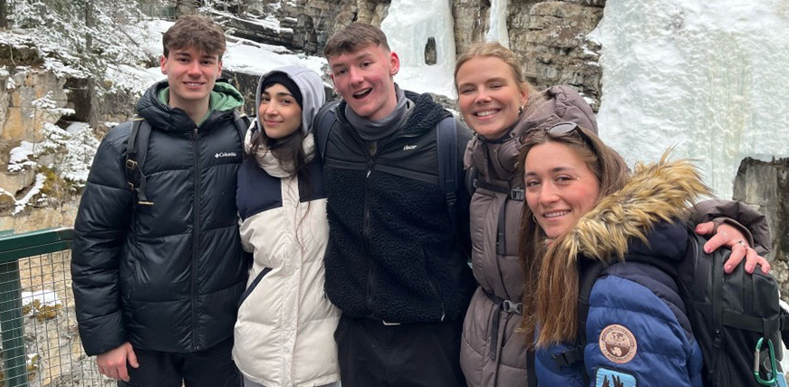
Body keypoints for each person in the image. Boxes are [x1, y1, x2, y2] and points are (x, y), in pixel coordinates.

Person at [453, 41, 771, 386]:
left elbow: (644, 206)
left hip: (539, 351)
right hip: (493, 349)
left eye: (495, 84)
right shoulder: (474, 169)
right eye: (468, 89)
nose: (545, 196)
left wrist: (725, 224)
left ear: (524, 93)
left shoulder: (616, 287)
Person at [516, 124, 771, 385]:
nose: (544, 197)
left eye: (563, 178)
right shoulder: (581, 262)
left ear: (603, 181)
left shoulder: (619, 295)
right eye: (533, 183)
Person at [71, 15, 247, 386]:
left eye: (206, 60)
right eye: (184, 58)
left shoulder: (242, 137)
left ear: (220, 66)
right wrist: (107, 338)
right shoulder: (126, 143)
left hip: (224, 335)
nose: (195, 71)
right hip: (144, 341)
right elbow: (94, 246)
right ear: (164, 62)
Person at [318, 22, 475, 386]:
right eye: (342, 71)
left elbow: (476, 233)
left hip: (431, 335)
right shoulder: (328, 129)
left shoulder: (447, 139)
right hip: (357, 332)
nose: (355, 79)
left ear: (392, 62)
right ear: (333, 80)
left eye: (365, 64)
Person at [233, 65, 340, 387]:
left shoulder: (334, 164)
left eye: (285, 100)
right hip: (259, 354)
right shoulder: (246, 170)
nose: (270, 110)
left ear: (307, 108)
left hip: (326, 356)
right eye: (265, 99)